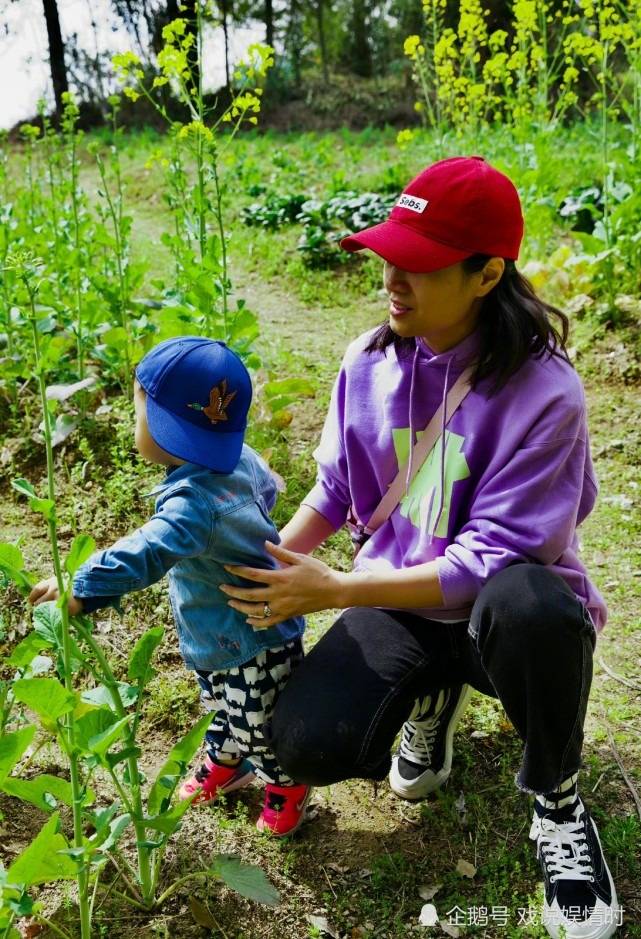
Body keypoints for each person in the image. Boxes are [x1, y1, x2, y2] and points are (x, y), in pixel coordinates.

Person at [219, 157, 621, 937]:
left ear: (485, 274)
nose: (392, 278)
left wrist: (334, 589)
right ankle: (428, 703)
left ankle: (557, 799)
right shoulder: (365, 362)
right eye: (387, 256)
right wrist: (262, 571)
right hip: (395, 601)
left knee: (535, 607)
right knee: (302, 743)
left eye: (420, 265)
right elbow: (334, 491)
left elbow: (487, 561)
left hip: (489, 612)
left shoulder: (545, 393)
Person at [29, 336, 311, 837]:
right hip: (219, 634)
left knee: (257, 722)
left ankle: (284, 784)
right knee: (220, 707)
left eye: (139, 414)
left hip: (250, 641)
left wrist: (84, 584)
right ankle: (229, 763)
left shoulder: (191, 505)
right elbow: (266, 485)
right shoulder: (238, 458)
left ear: (161, 428)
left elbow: (149, 550)